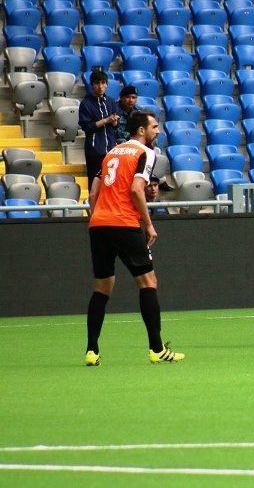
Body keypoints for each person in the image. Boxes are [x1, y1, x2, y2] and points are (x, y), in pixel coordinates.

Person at [84, 110, 184, 366]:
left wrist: (97, 219)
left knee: (102, 288)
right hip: (124, 223)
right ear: (141, 130)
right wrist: (148, 225)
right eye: (154, 126)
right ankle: (157, 348)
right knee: (148, 282)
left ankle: (92, 350)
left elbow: (93, 193)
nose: (157, 131)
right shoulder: (144, 152)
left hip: (99, 225)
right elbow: (137, 189)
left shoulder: (112, 152)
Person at [78, 69, 120, 181]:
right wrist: (106, 120)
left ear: (107, 84)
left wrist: (114, 121)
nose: (100, 86)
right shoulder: (86, 103)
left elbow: (116, 126)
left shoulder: (111, 101)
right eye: (97, 83)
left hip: (111, 149)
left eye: (103, 83)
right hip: (95, 150)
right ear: (92, 85)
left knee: (110, 181)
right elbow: (86, 126)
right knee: (94, 182)